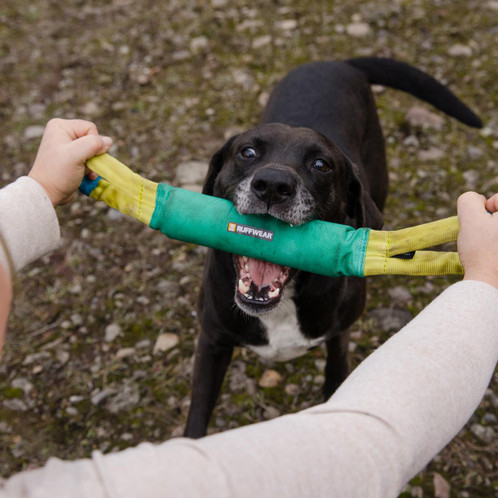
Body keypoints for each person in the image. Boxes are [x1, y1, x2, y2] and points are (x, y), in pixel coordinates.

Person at [0, 119, 496, 497]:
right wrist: (485, 284)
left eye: (318, 166)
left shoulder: (351, 253)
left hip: (332, 287)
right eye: (250, 156)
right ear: (215, 184)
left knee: (339, 326)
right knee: (218, 333)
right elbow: (367, 448)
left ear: (349, 208)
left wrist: (39, 191)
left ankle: (335, 354)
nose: (275, 178)